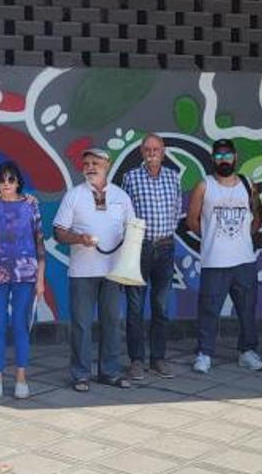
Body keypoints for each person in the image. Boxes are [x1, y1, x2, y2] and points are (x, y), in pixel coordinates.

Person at [54, 147, 135, 392]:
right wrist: (79, 239)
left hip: (112, 271)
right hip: (82, 272)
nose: (90, 166)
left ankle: (109, 372)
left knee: (112, 322)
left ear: (107, 165)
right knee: (82, 324)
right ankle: (80, 374)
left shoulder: (121, 196)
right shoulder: (74, 195)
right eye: (86, 162)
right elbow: (58, 232)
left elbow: (133, 230)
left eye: (95, 163)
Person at [187, 139, 262, 374]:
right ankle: (204, 354)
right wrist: (212, 238)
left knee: (247, 308)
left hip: (244, 260)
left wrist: (244, 235)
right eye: (218, 156)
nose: (223, 160)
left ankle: (247, 352)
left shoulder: (247, 184)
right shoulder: (204, 185)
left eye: (227, 155)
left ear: (235, 157)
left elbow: (256, 217)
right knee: (209, 308)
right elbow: (192, 220)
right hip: (215, 261)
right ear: (212, 159)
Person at [0, 162, 46, 399]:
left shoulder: (30, 206)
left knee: (19, 325)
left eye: (11, 179)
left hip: (26, 274)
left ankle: (21, 379)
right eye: (2, 179)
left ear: (18, 182)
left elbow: (39, 244)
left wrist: (40, 281)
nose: (6, 184)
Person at [118, 134, 182, 380]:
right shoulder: (131, 178)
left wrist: (166, 234)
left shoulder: (173, 177)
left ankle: (158, 359)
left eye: (156, 149)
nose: (152, 152)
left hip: (165, 248)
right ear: (142, 152)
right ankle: (136, 360)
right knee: (135, 307)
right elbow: (126, 213)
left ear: (163, 152)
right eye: (147, 149)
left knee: (161, 306)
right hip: (139, 249)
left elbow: (177, 210)